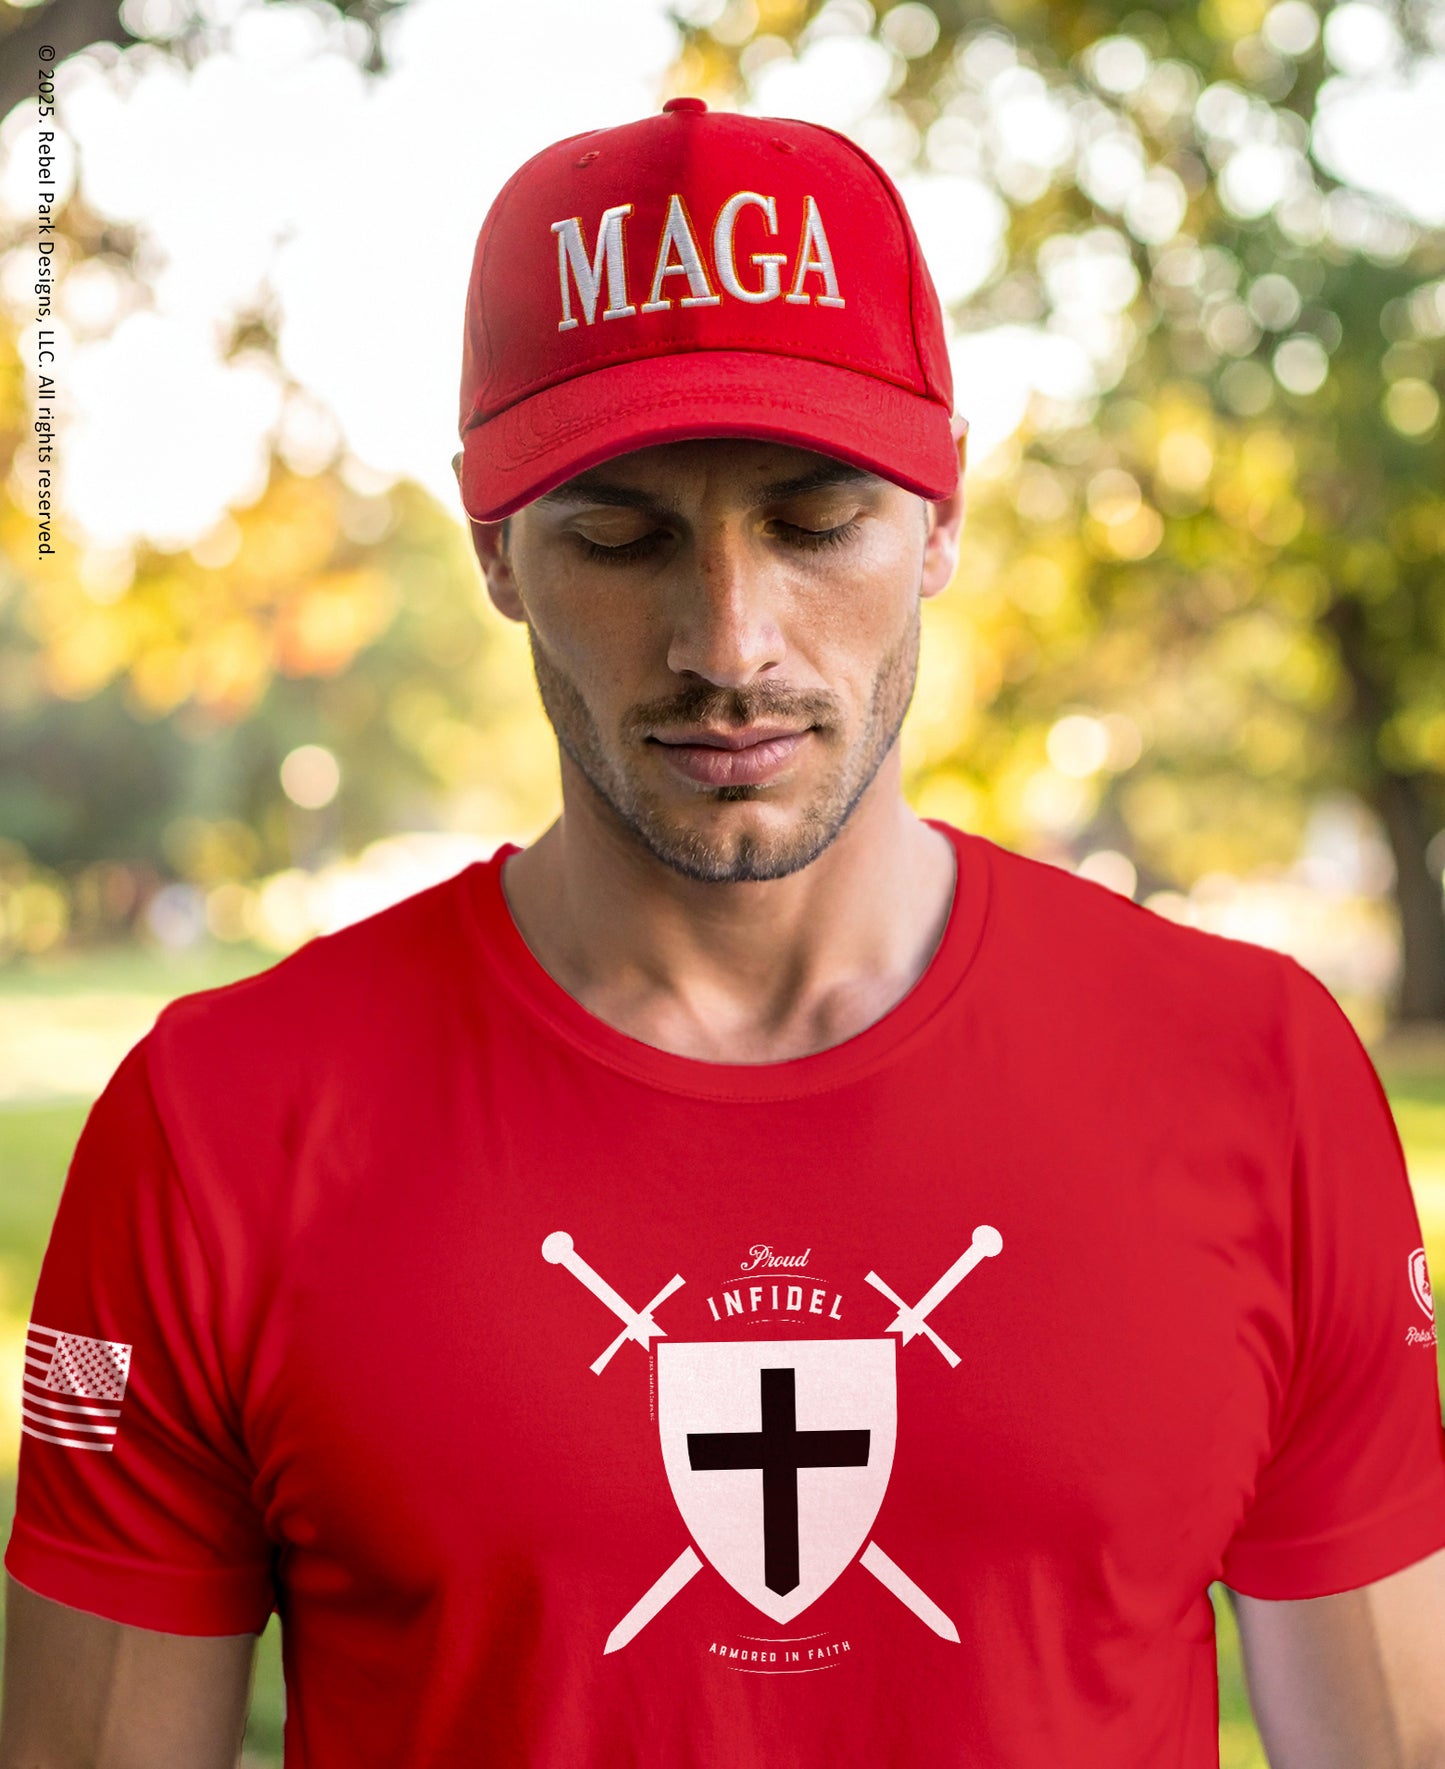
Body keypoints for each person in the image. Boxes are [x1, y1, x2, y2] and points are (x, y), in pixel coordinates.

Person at [3, 97, 1444, 1769]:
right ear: (493, 550)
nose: (728, 638)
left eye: (816, 521)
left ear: (944, 520)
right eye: (620, 536)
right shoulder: (220, 1126)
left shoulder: (1251, 1078)